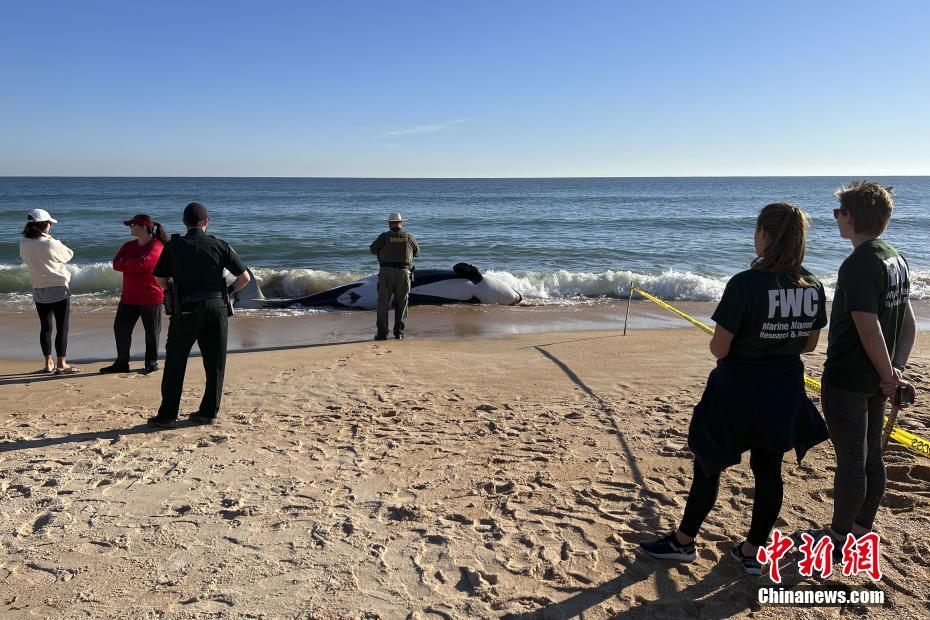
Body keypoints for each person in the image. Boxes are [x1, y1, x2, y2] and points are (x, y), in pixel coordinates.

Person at [639, 202, 830, 576]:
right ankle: (753, 550)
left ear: (765, 235)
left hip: (737, 389)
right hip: (783, 389)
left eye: (758, 231)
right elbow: (809, 345)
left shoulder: (744, 284)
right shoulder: (813, 285)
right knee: (769, 469)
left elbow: (719, 348)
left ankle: (683, 541)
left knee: (709, 465)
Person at [801, 181, 916, 552]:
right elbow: (908, 323)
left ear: (852, 218)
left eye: (839, 213)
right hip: (877, 376)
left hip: (850, 377)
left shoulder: (859, 263)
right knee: (870, 454)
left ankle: (838, 534)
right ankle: (862, 525)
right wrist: (894, 369)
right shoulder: (896, 258)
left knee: (852, 459)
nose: (836, 219)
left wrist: (888, 375)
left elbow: (869, 328)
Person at [147, 202, 251, 428]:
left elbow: (160, 279)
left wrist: (171, 289)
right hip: (217, 308)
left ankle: (167, 415)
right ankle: (208, 412)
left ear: (185, 223)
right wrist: (228, 293)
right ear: (206, 222)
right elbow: (244, 277)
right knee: (215, 362)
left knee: (176, 360)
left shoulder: (174, 246)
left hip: (185, 309)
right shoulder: (220, 245)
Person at [100, 214, 168, 375]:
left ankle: (151, 362)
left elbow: (145, 263)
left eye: (133, 225)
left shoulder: (157, 245)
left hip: (151, 297)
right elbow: (116, 264)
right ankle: (122, 363)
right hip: (129, 297)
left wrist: (127, 263)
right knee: (121, 329)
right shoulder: (128, 245)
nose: (130, 228)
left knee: (151, 332)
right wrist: (131, 263)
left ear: (144, 227)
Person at [19, 208, 79, 375]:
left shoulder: (24, 243)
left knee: (45, 327)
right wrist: (50, 239)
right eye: (49, 223)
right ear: (44, 225)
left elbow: (26, 258)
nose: (51, 226)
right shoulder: (50, 243)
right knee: (62, 327)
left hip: (38, 287)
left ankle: (48, 363)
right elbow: (69, 255)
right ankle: (62, 364)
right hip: (58, 286)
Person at [369, 212, 420, 340]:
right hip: (403, 272)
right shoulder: (409, 237)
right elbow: (417, 253)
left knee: (383, 304)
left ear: (389, 223)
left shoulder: (384, 237)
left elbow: (373, 250)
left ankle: (382, 334)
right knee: (402, 304)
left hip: (386, 272)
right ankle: (399, 333)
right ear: (401, 223)